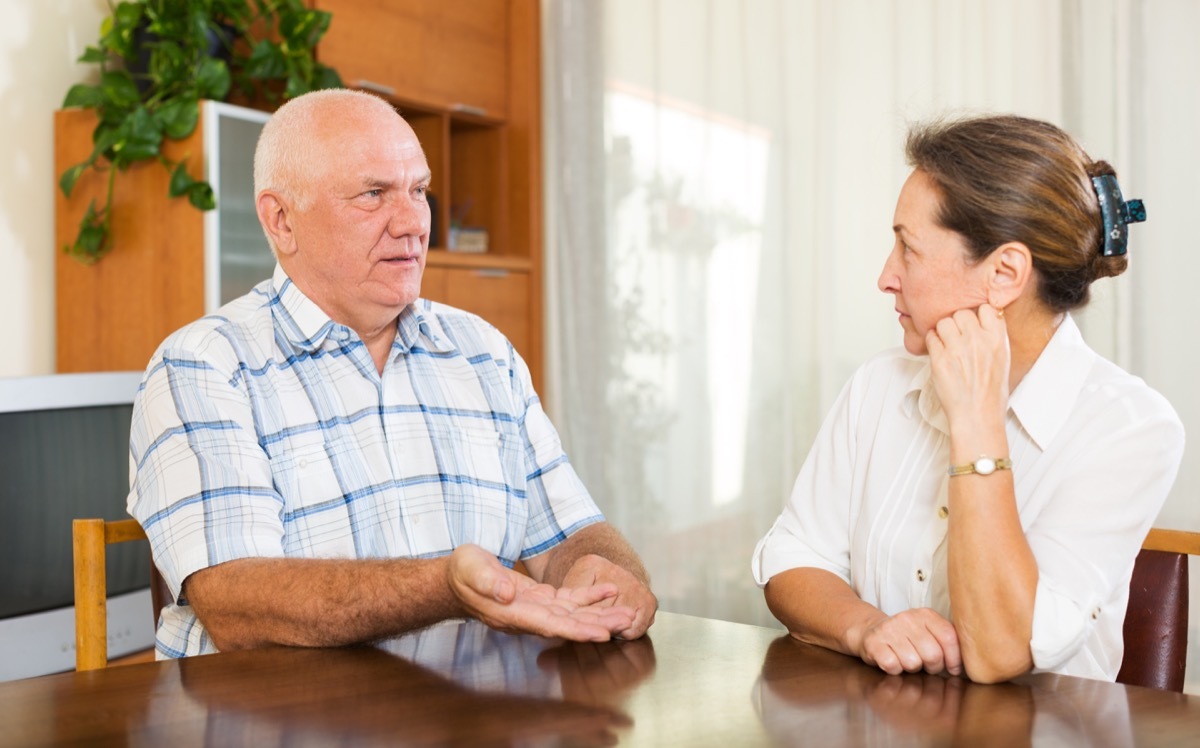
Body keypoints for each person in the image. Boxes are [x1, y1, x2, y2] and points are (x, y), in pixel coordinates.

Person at [127, 88, 656, 658]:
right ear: (280, 220)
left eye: (419, 191)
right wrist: (444, 585)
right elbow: (237, 605)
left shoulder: (484, 353)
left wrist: (604, 577)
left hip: (469, 719)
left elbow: (571, 534)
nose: (412, 224)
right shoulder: (203, 366)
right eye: (373, 194)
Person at [751, 114, 1184, 684]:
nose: (886, 277)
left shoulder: (1132, 428)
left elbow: (1000, 652)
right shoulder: (879, 384)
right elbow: (792, 558)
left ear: (1005, 273)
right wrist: (865, 626)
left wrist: (977, 421)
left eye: (908, 249)